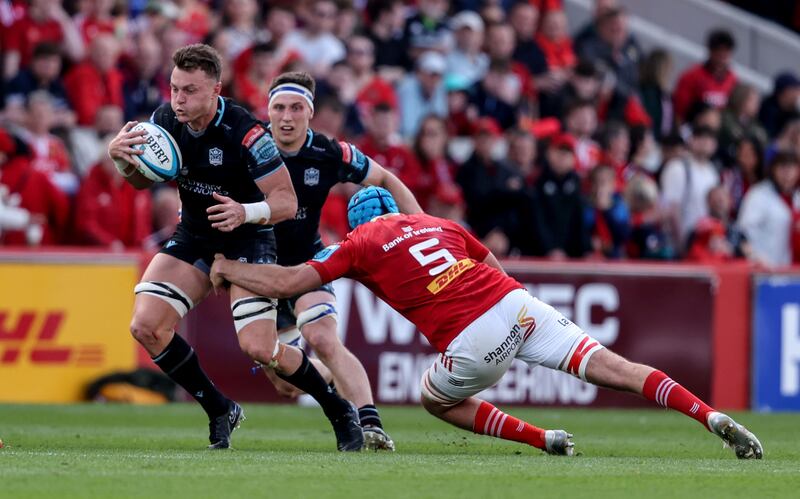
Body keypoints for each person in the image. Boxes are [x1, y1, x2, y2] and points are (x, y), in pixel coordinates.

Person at [210, 186, 764, 460]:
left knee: (433, 398)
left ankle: (541, 438)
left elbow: (287, 285)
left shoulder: (358, 242)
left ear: (357, 221)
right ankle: (709, 415)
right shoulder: (439, 223)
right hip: (519, 303)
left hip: (471, 333)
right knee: (614, 367)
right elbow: (493, 267)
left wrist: (227, 267)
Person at [107, 44, 363, 451]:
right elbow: (144, 181)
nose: (179, 99)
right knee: (146, 326)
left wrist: (245, 212)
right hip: (195, 235)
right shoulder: (163, 122)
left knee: (260, 348)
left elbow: (286, 201)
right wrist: (122, 161)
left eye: (190, 90)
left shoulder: (247, 133)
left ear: (216, 90)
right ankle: (219, 408)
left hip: (248, 238)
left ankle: (337, 408)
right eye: (174, 88)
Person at [263, 70, 425, 451]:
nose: (287, 116)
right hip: (258, 272)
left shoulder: (331, 152)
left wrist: (423, 226)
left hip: (307, 264)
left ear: (310, 113)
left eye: (296, 108)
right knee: (285, 382)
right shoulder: (247, 147)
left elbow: (385, 178)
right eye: (279, 107)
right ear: (267, 112)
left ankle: (371, 423)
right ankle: (332, 379)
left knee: (323, 338)